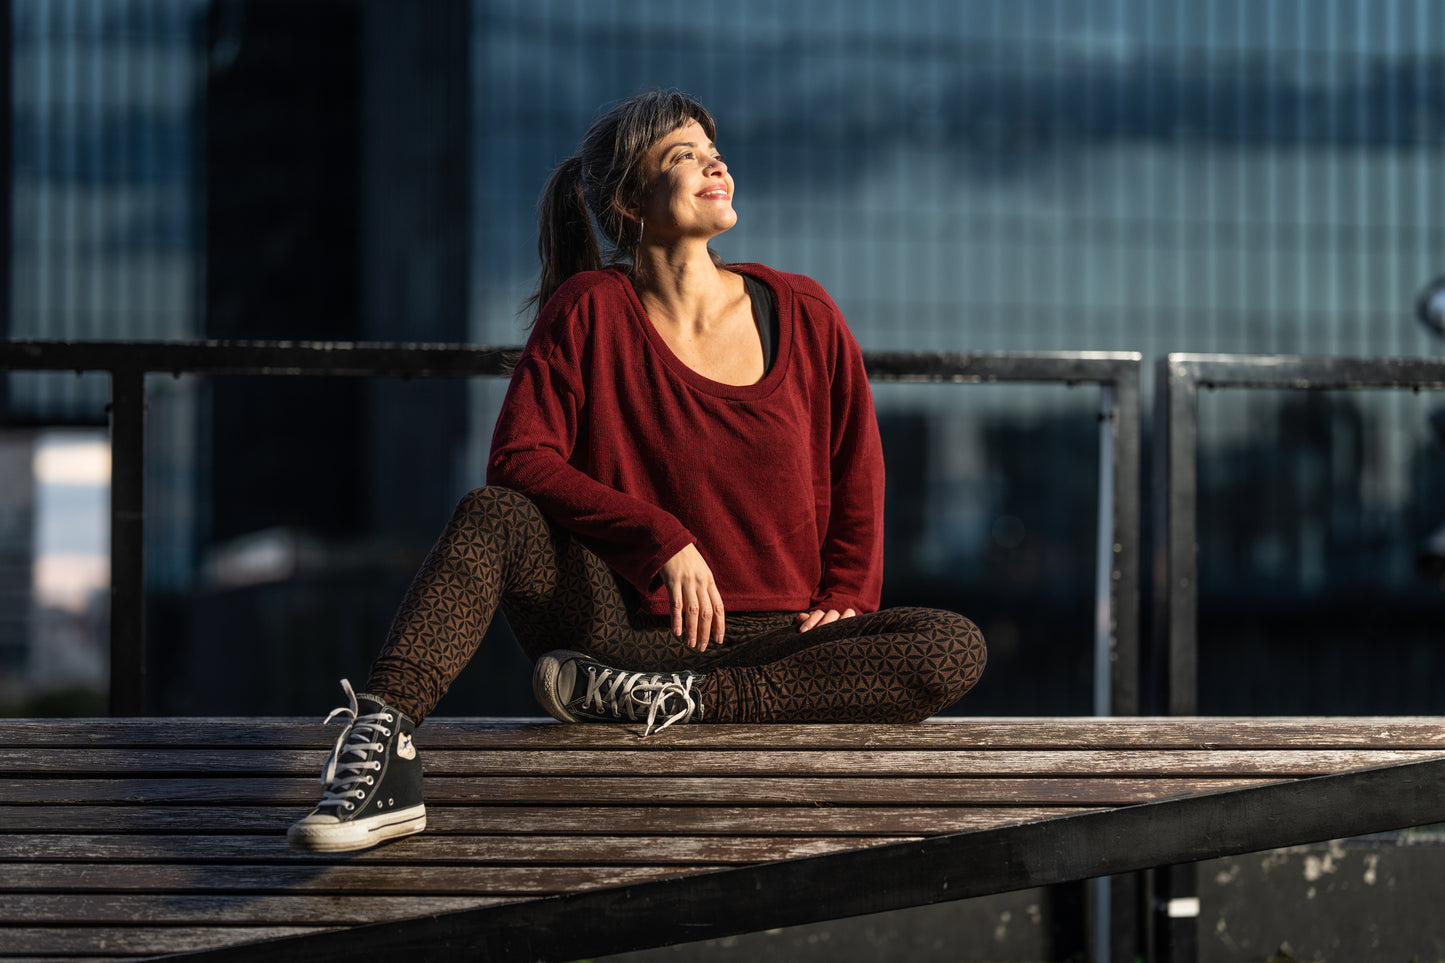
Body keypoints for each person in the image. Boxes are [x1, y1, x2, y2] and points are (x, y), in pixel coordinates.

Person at [287, 89, 987, 853]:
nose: (711, 162)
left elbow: (856, 465)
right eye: (682, 155)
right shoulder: (591, 308)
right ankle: (383, 742)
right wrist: (659, 538)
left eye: (712, 149)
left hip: (778, 642)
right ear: (630, 200)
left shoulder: (802, 309)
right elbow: (519, 458)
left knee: (951, 644)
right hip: (620, 636)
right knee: (493, 512)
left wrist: (849, 592)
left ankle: (690, 702)